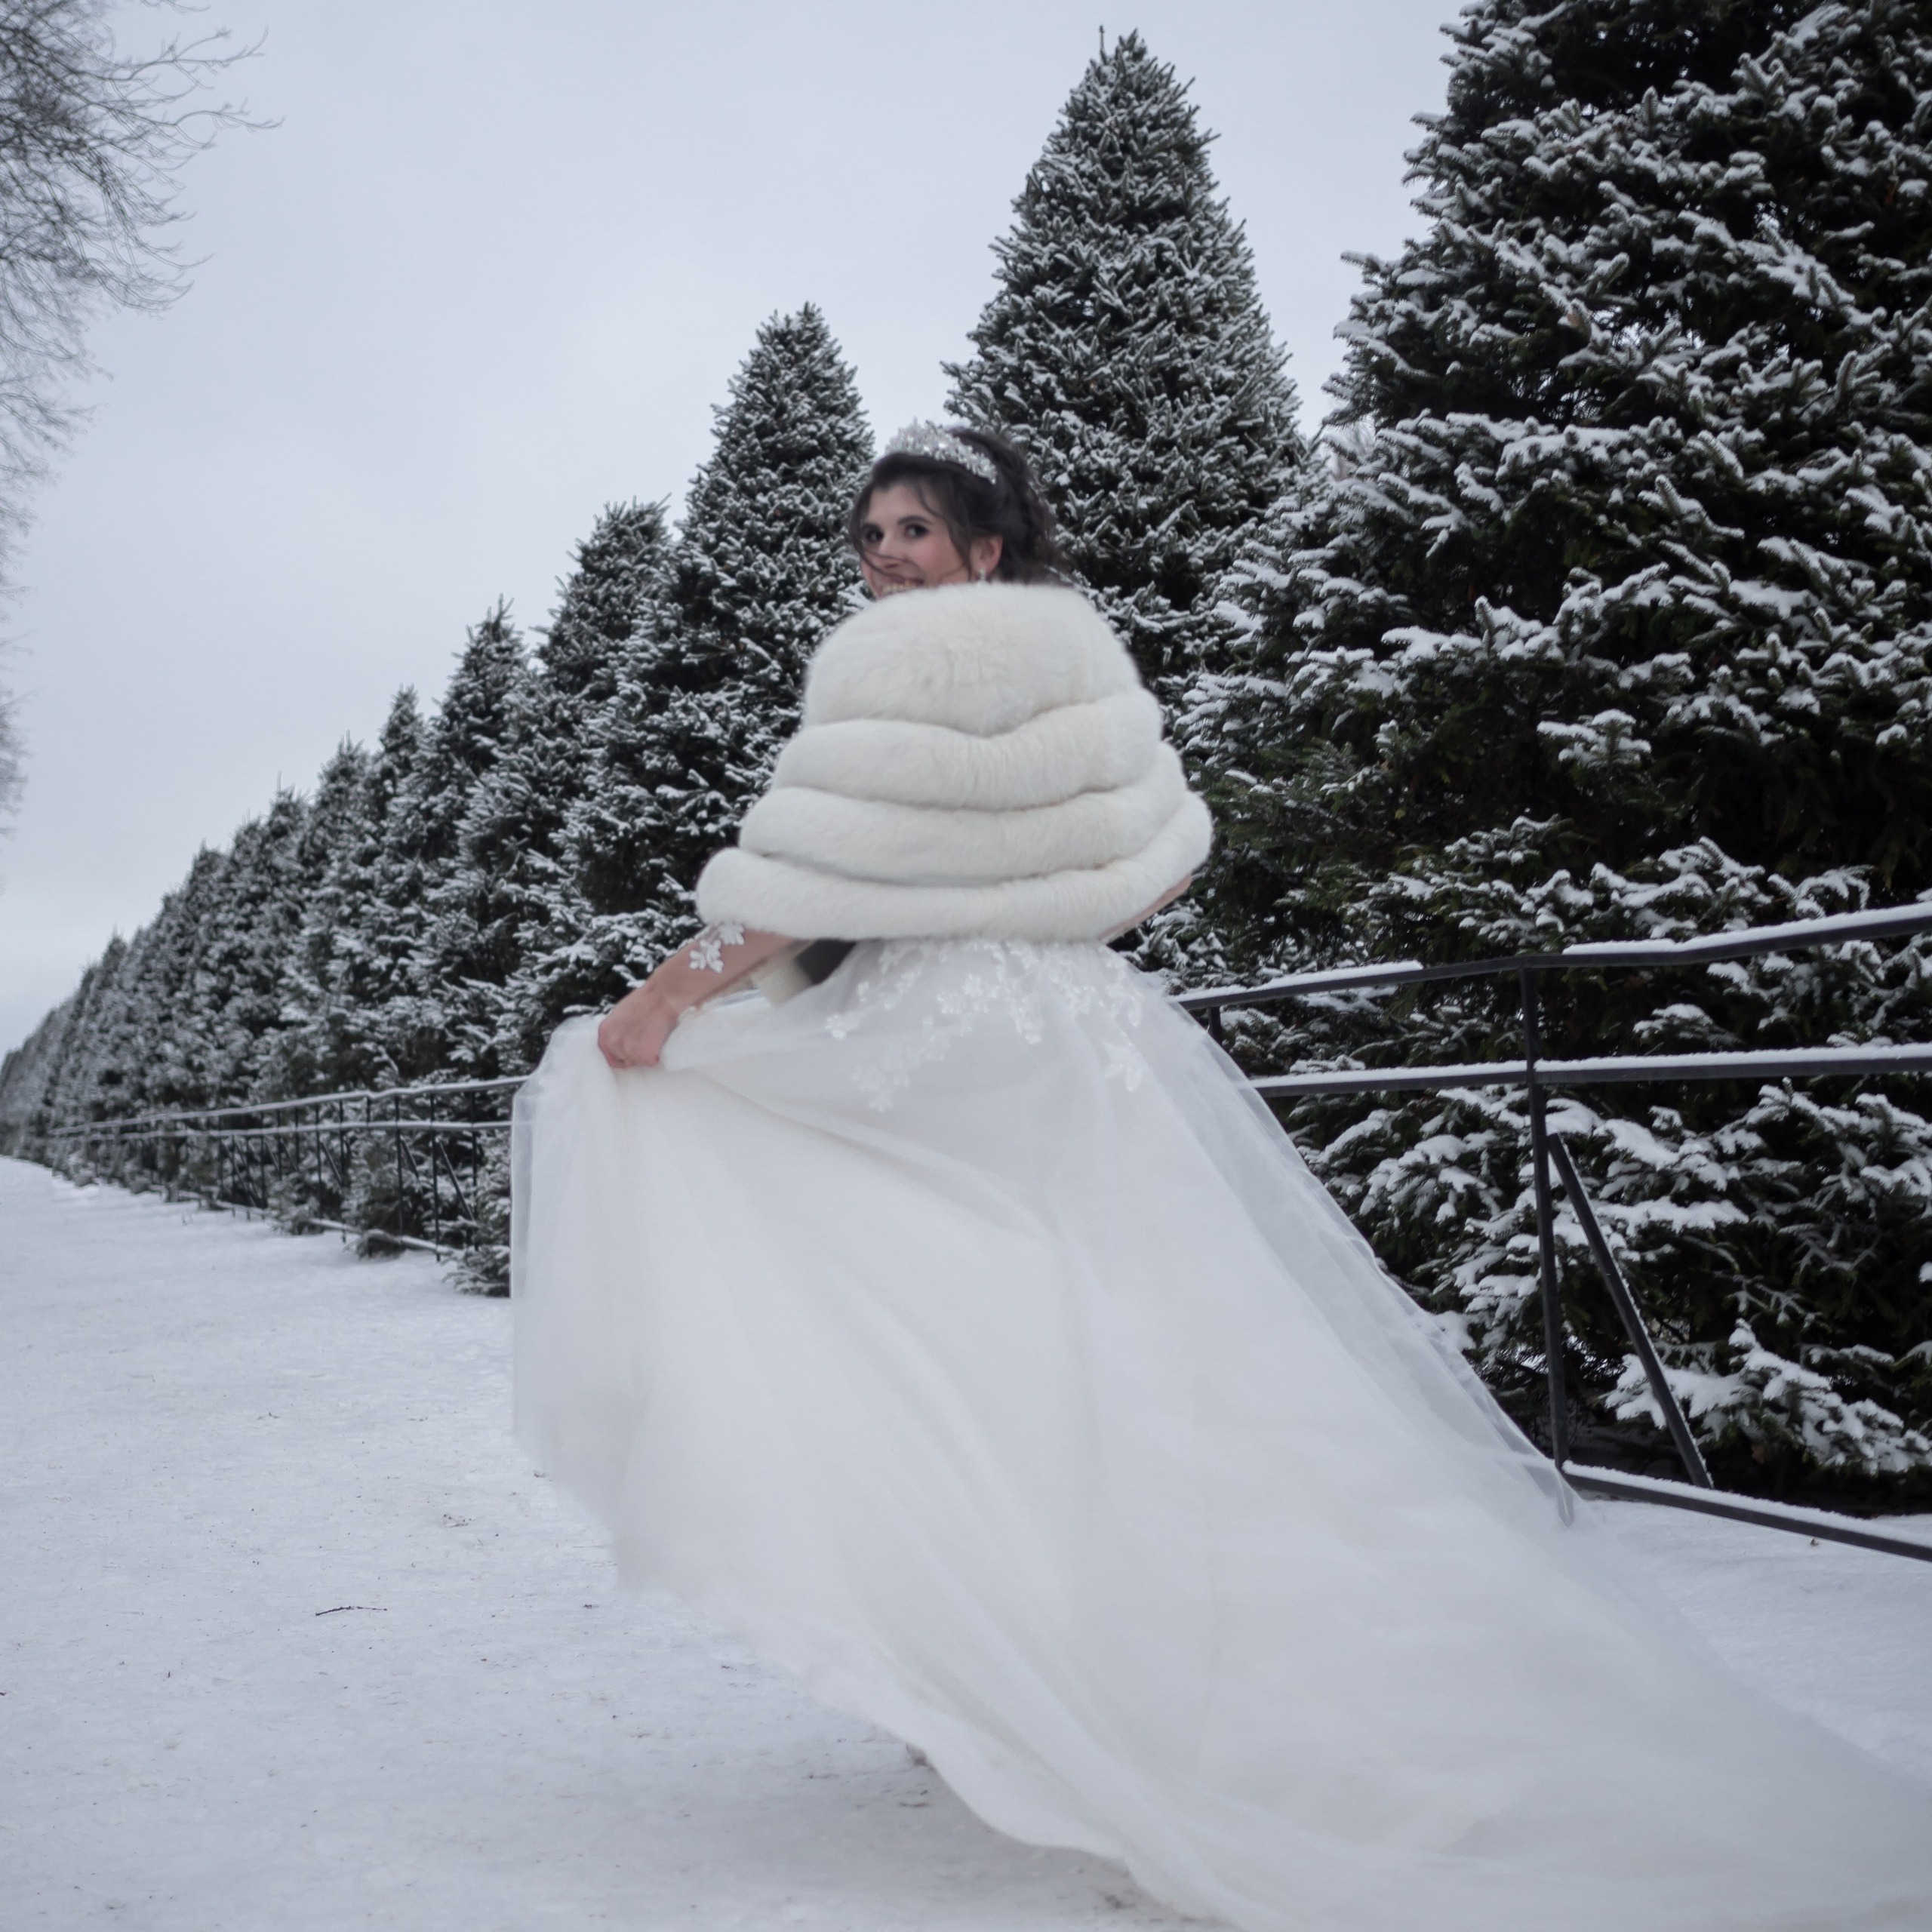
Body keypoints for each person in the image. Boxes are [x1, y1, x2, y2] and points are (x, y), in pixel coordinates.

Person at [512, 423, 1931, 1932]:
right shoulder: (1080, 663)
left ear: (981, 547)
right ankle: (1106, 1673)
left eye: (911, 532)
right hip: (1072, 1031)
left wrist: (666, 1000)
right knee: (1120, 1348)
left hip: (944, 1039)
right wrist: (1030, 903)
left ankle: (1004, 1666)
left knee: (957, 1338)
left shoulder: (886, 671)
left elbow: (799, 883)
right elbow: (1165, 856)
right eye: (868, 536)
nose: (881, 560)